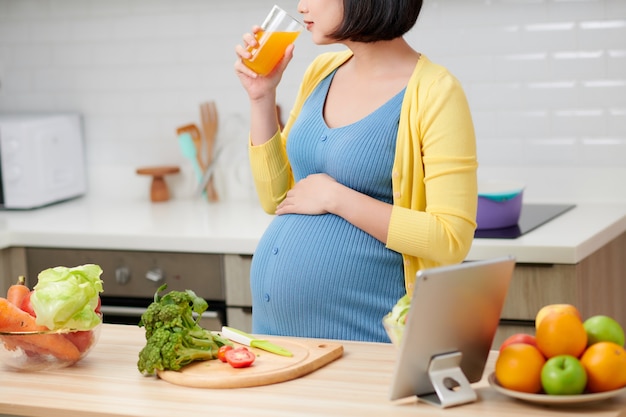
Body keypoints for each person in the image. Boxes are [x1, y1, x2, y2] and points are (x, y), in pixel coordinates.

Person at [234, 0, 477, 342]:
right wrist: (261, 97)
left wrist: (335, 197)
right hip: (276, 337)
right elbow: (277, 198)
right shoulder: (322, 71)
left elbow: (451, 238)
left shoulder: (436, 91)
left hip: (362, 335)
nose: (302, 5)